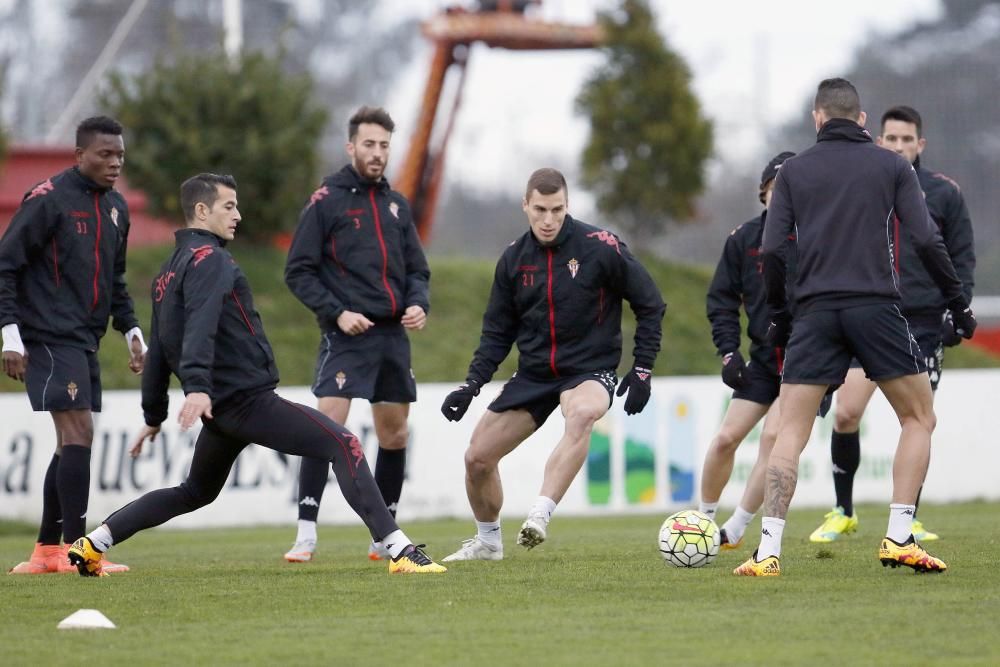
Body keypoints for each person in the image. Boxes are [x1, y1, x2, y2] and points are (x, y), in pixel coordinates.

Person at [66, 173, 445, 576]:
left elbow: (159, 347)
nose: (238, 215)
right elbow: (200, 325)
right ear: (201, 210)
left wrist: (153, 413)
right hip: (247, 403)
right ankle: (400, 551)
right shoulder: (210, 260)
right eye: (229, 206)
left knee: (194, 491)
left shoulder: (168, 271)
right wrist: (194, 386)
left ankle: (94, 542)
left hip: (223, 412)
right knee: (344, 444)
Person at [735, 78, 975, 576]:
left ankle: (768, 552)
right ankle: (899, 536)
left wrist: (780, 313)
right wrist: (958, 302)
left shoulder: (794, 171)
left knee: (790, 432)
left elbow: (775, 250)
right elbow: (929, 241)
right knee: (918, 418)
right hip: (877, 308)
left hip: (815, 313)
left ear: (817, 117)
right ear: (863, 121)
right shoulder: (890, 164)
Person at [439, 168, 665, 562]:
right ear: (526, 205)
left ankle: (539, 515)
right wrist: (471, 384)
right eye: (540, 209)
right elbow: (496, 333)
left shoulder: (601, 246)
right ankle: (489, 542)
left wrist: (642, 368)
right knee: (477, 458)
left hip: (589, 371)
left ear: (567, 206)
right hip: (534, 375)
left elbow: (650, 304)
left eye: (557, 210)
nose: (548, 219)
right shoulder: (512, 260)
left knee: (581, 414)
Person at [809, 105, 975, 544]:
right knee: (846, 412)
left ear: (920, 144)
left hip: (922, 325)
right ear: (878, 140)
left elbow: (961, 259)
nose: (899, 145)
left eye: (907, 139)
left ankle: (907, 519)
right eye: (892, 138)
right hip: (872, 316)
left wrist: (956, 312)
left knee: (919, 418)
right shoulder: (867, 185)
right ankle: (843, 511)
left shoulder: (944, 193)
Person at [282, 106, 430, 563]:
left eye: (385, 145)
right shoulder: (327, 201)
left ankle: (384, 536)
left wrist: (418, 302)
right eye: (369, 144)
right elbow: (298, 271)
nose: (378, 153)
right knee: (326, 427)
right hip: (347, 336)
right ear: (351, 147)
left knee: (395, 435)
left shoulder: (396, 205)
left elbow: (418, 270)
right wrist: (337, 312)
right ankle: (306, 532)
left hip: (391, 338)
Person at [2, 116, 144, 576]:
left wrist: (133, 331)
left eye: (119, 155)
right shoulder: (48, 200)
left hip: (85, 340)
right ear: (79, 155)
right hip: (46, 335)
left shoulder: (117, 208)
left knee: (70, 443)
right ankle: (80, 553)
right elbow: (5, 266)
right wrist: (9, 336)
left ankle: (46, 552)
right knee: (80, 434)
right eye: (105, 154)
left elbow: (116, 282)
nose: (114, 163)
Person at [699, 151, 801, 550]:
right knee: (725, 438)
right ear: (764, 194)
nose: (785, 197)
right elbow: (721, 300)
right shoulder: (743, 239)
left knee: (773, 437)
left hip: (807, 363)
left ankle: (737, 528)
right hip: (762, 361)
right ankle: (703, 524)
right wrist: (729, 353)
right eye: (778, 190)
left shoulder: (818, 238)